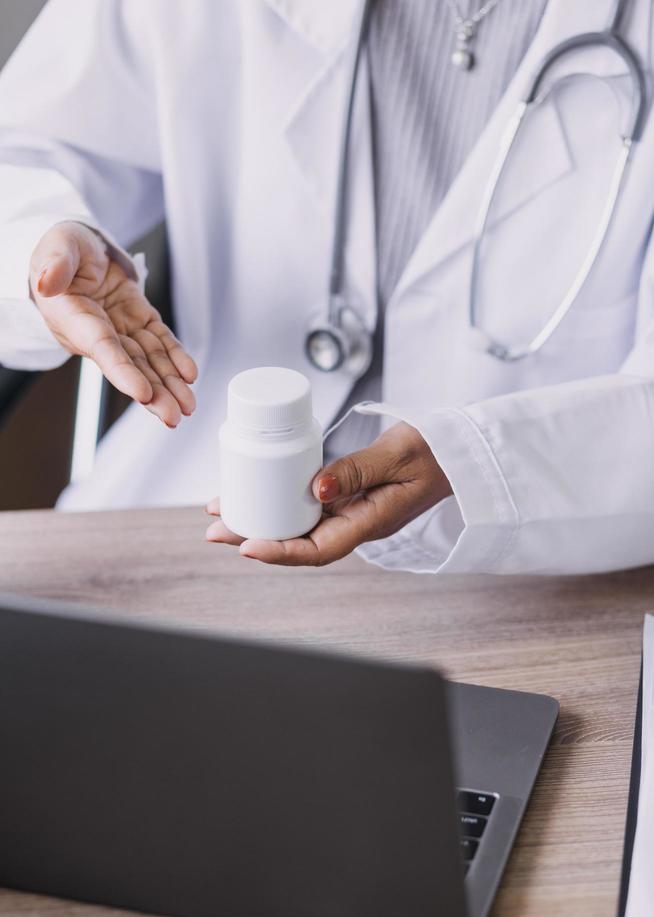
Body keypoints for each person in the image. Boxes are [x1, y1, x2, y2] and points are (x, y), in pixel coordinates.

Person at [0, 0, 653, 576]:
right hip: (184, 520)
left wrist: (476, 461)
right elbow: (24, 152)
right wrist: (41, 247)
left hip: (522, 558)